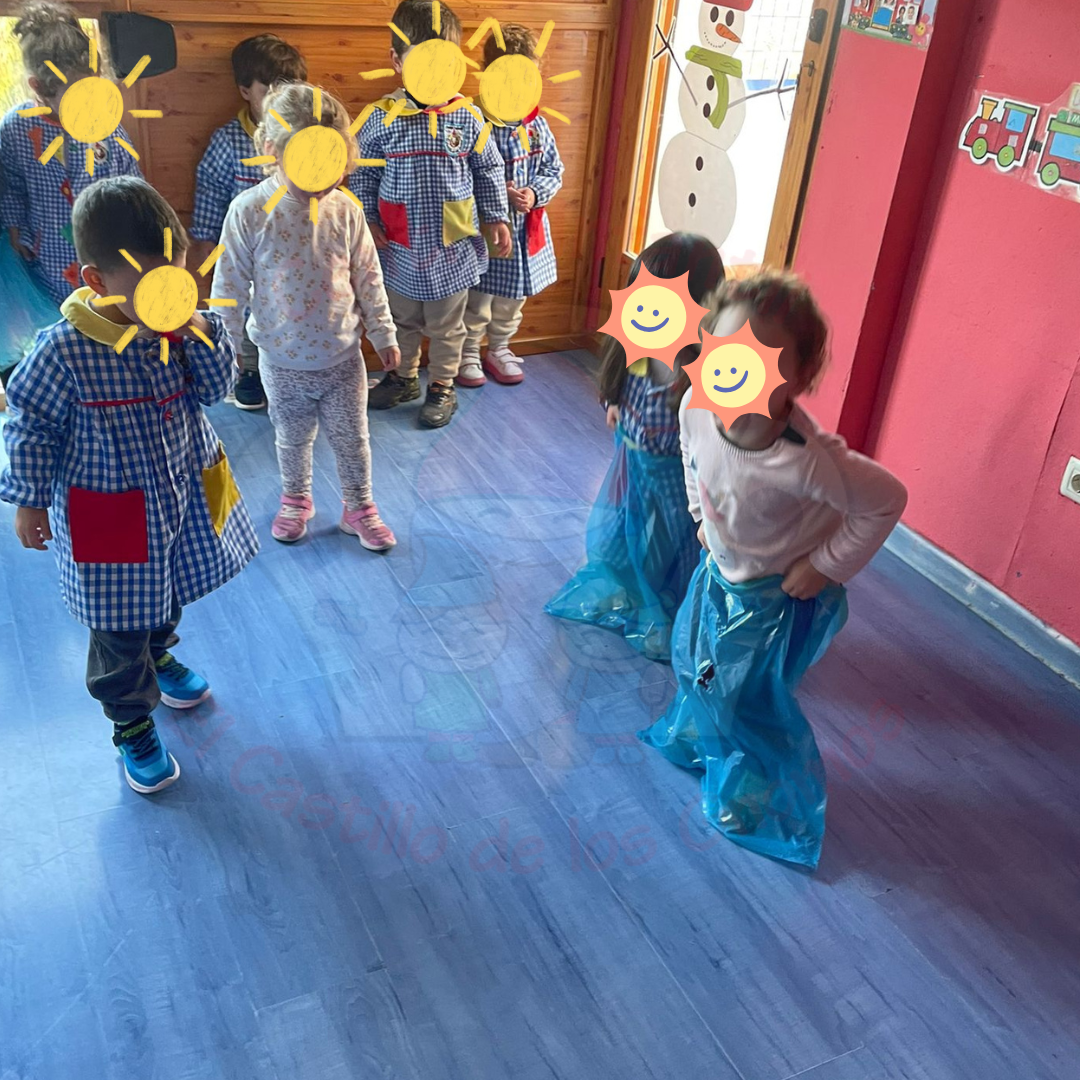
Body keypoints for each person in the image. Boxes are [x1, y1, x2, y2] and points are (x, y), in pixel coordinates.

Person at [638, 271, 908, 870]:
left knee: (748, 700)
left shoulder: (807, 463)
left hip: (772, 595)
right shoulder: (696, 405)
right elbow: (691, 456)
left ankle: (753, 784)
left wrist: (825, 566)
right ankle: (704, 730)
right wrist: (698, 516)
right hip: (720, 571)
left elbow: (887, 500)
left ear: (799, 380)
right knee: (695, 659)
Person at [0, 177, 258, 794]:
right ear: (97, 282)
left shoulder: (184, 330)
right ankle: (131, 722)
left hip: (178, 491)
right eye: (151, 285)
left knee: (167, 590)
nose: (170, 295)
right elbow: (29, 423)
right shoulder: (62, 351)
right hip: (108, 507)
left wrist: (199, 332)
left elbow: (215, 390)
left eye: (178, 276)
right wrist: (29, 500)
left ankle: (158, 652)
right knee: (117, 623)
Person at [213, 82, 401, 550]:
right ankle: (296, 498)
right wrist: (225, 350)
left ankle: (359, 507)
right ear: (273, 149)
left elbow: (368, 275)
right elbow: (229, 286)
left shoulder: (346, 210)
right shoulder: (250, 211)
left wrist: (383, 332)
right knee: (292, 439)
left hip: (342, 358)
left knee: (352, 439)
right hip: (281, 360)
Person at [545, 233, 724, 662]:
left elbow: (713, 436)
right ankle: (630, 591)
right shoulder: (639, 340)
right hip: (630, 464)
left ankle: (664, 611)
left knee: (667, 545)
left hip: (675, 479)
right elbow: (617, 381)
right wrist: (614, 405)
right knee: (620, 532)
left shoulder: (703, 365)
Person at [360, 0, 512, 429]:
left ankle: (442, 386)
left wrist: (496, 216)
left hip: (453, 246)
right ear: (397, 61)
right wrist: (368, 219)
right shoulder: (381, 117)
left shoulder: (468, 116)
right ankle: (404, 377)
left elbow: (489, 168)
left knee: (447, 326)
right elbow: (363, 173)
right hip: (399, 246)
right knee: (402, 319)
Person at [189, 34, 307, 412]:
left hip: (298, 251)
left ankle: (294, 368)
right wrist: (206, 253)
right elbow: (209, 199)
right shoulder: (228, 141)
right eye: (269, 88)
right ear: (244, 91)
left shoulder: (308, 138)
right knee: (244, 308)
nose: (280, 97)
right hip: (247, 253)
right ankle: (249, 370)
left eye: (289, 88)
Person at [0, 1, 142, 307]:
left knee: (104, 319)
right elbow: (11, 187)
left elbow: (133, 183)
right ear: (39, 87)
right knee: (61, 323)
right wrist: (15, 231)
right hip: (47, 260)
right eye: (77, 96)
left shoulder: (106, 126)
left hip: (106, 257)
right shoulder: (14, 129)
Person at [456, 23, 565, 388]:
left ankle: (499, 347)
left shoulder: (537, 125)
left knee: (512, 298)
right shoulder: (474, 121)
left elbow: (553, 169)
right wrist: (498, 193)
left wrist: (534, 193)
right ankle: (468, 352)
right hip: (485, 227)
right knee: (479, 296)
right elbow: (457, 175)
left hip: (525, 230)